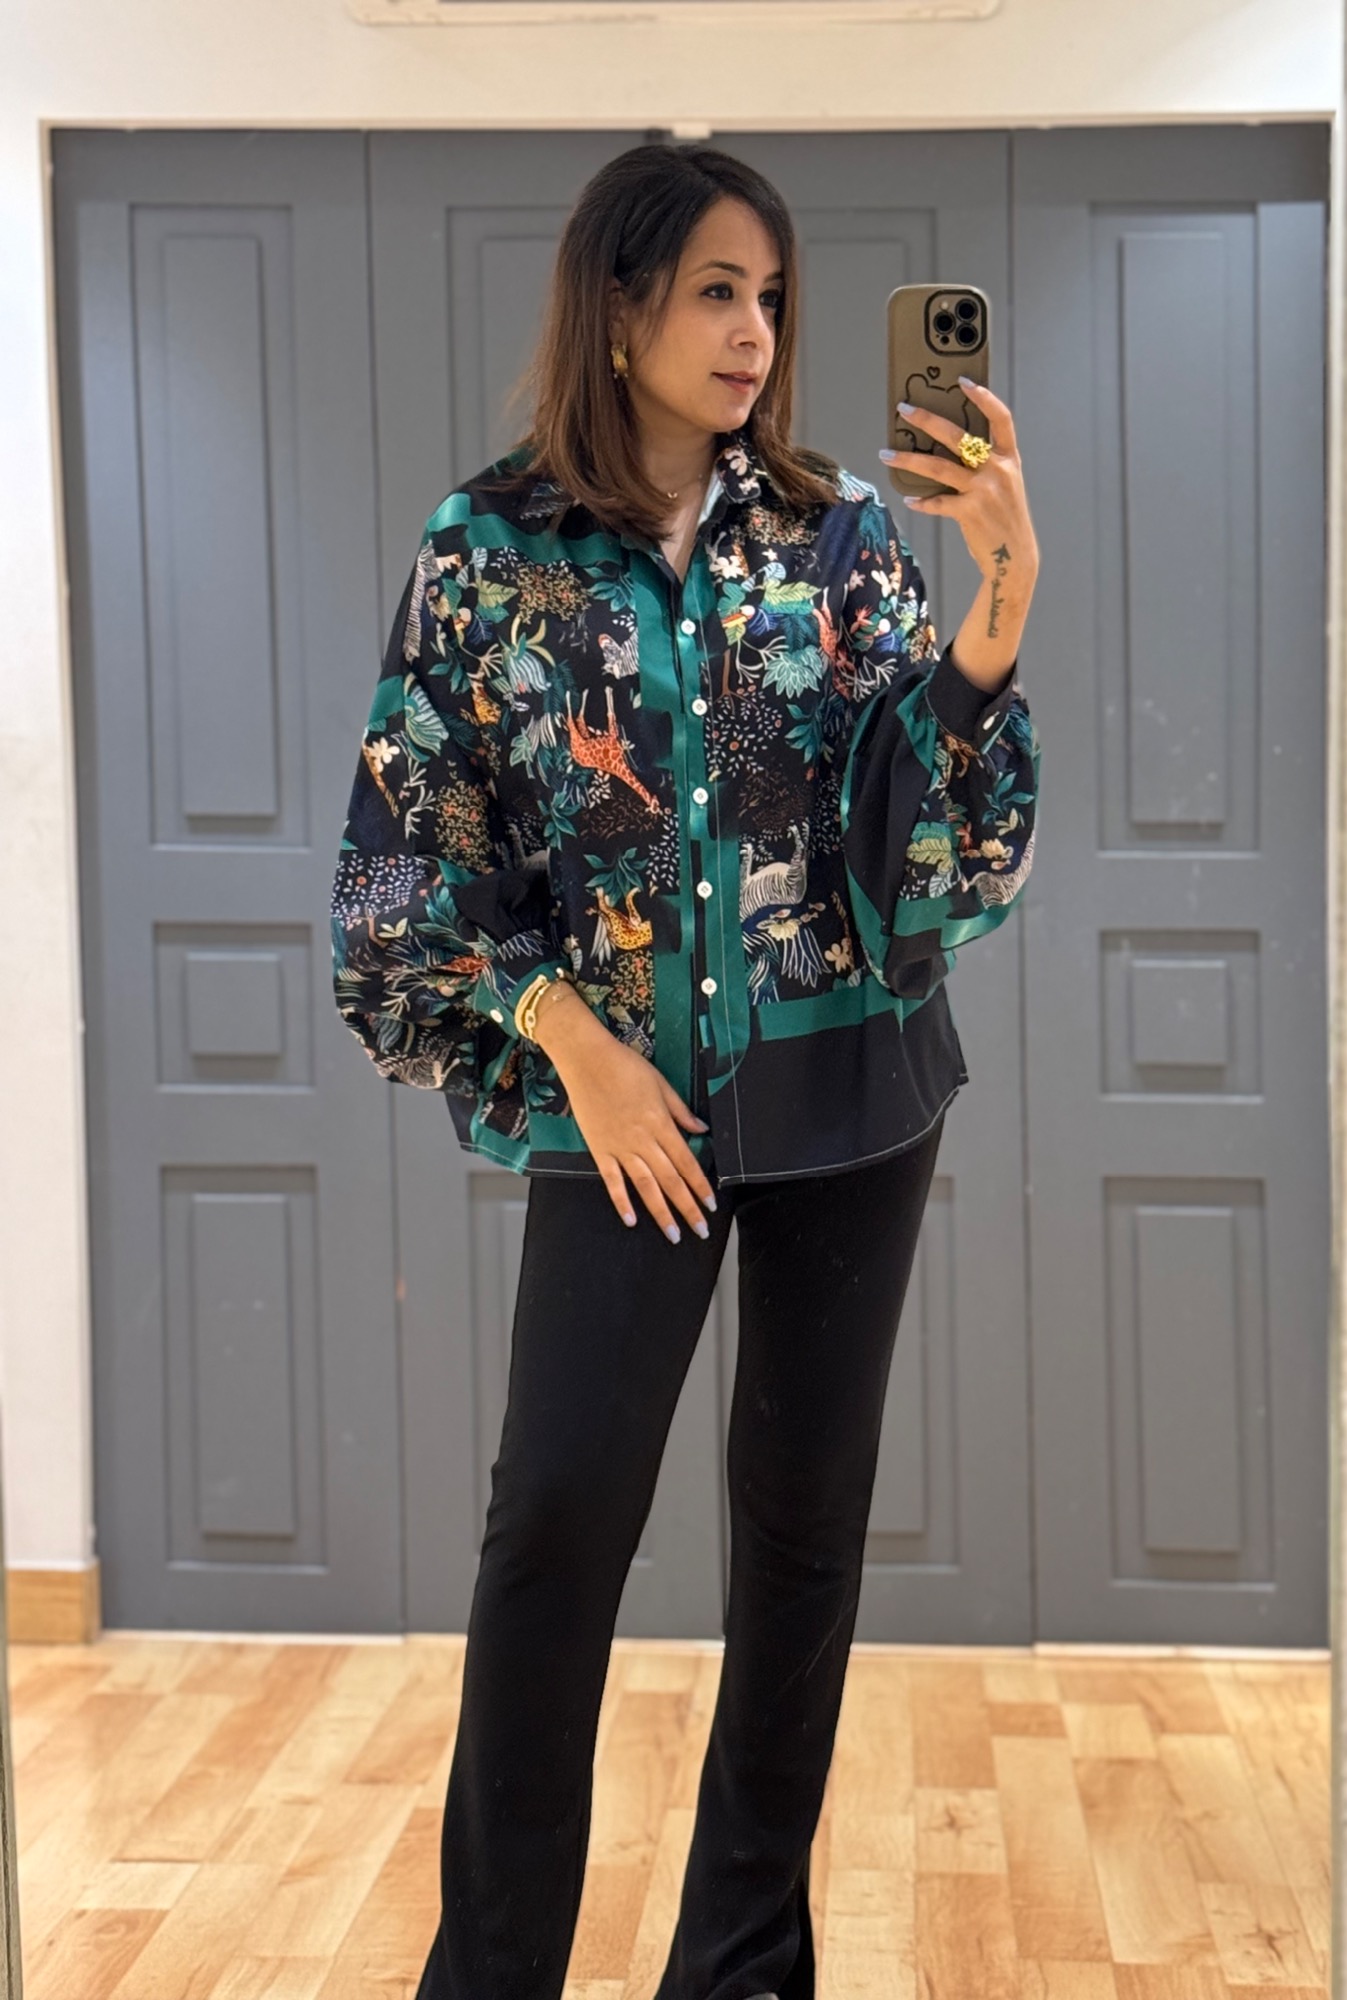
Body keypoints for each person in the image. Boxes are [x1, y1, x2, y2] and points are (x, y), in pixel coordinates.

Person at [331, 140, 1040, 2000]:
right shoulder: (486, 553)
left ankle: (740, 1968)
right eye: (717, 290)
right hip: (623, 1111)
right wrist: (571, 1040)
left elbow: (915, 843)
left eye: (772, 297)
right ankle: (490, 1976)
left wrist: (993, 613)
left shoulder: (837, 535)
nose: (754, 333)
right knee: (555, 1524)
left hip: (848, 1096)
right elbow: (402, 868)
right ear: (620, 304)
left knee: (800, 1535)